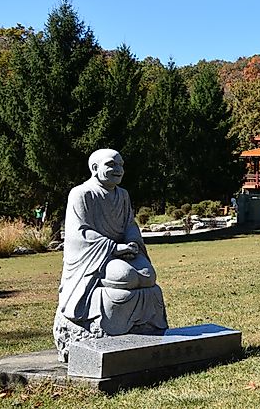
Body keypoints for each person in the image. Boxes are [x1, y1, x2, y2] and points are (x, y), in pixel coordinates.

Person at [53, 149, 168, 361]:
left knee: (148, 276)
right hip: (96, 257)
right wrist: (113, 248)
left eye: (121, 165)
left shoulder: (122, 195)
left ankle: (144, 328)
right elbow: (80, 233)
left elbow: (129, 224)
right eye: (111, 165)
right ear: (95, 168)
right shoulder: (82, 194)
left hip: (123, 250)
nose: (118, 170)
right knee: (126, 277)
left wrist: (132, 242)